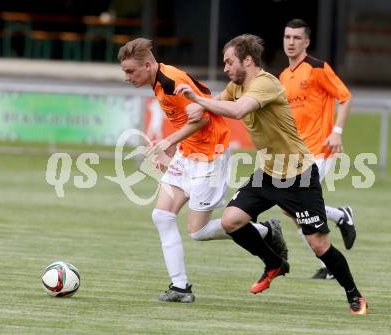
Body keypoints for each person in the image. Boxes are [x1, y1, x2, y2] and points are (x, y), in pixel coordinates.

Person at [175, 34, 368, 314]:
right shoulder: (235, 87)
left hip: (299, 176)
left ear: (248, 60)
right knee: (231, 221)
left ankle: (354, 294)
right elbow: (216, 106)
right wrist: (185, 121)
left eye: (229, 62)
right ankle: (275, 263)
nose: (226, 68)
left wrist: (198, 100)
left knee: (319, 246)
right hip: (266, 174)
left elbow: (238, 111)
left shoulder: (265, 83)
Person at [118, 37, 288, 303]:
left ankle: (266, 230)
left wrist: (168, 142)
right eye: (125, 72)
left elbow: (205, 117)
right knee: (162, 216)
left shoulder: (171, 81)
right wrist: (174, 148)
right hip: (188, 155)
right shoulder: (157, 82)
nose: (127, 77)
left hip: (210, 156)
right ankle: (180, 287)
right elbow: (187, 118)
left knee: (197, 232)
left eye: (131, 71)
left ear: (148, 65)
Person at [279, 18, 356, 280]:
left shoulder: (317, 68)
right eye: (288, 37)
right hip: (295, 153)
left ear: (306, 42)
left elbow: (345, 98)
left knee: (299, 205)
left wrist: (337, 132)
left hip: (319, 150)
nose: (291, 42)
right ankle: (340, 216)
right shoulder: (283, 76)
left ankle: (329, 264)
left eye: (297, 38)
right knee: (291, 209)